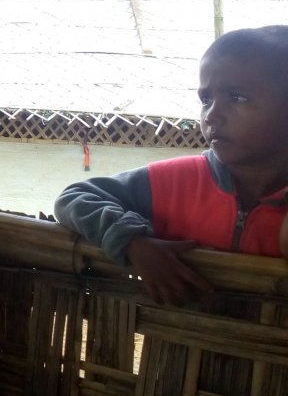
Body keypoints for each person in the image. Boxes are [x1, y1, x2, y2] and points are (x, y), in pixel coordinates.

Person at [54, 25, 288, 305]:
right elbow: (74, 198)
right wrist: (132, 242)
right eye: (206, 99)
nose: (211, 116)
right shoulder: (177, 181)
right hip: (183, 342)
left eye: (237, 97)